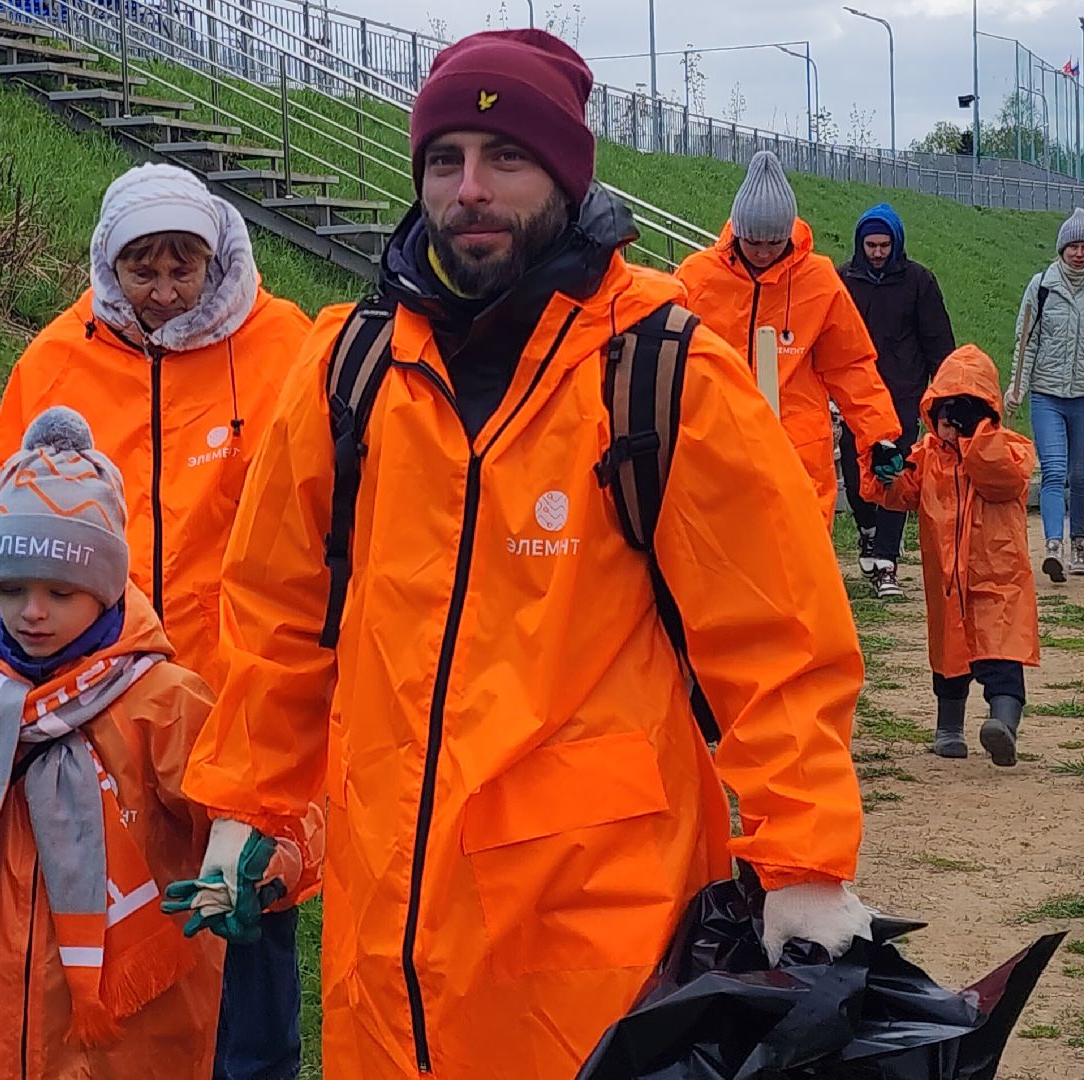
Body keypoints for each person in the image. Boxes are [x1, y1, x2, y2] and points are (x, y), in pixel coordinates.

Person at [174, 29, 872, 1080]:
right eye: (445, 160)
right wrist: (248, 805)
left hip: (593, 939)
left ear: (564, 173)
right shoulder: (349, 369)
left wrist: (804, 858)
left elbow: (774, 637)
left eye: (504, 158)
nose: (470, 190)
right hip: (386, 937)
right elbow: (279, 611)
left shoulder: (661, 374)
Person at [0, 163, 318, 1080]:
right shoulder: (55, 358)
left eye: (183, 267)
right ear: (108, 263)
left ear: (219, 258)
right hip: (86, 710)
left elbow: (321, 532)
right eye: (142, 269)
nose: (163, 291)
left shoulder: (287, 348)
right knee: (96, 958)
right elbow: (1, 528)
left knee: (245, 931)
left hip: (237, 711)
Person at [0, 408, 304, 1078]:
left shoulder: (162, 705)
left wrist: (259, 866)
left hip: (138, 1049)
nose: (32, 611)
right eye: (12, 589)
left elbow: (262, 802)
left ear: (108, 588)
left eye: (60, 591)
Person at [674, 150, 901, 529]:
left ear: (789, 235)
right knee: (717, 565)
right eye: (754, 243)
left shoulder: (819, 280)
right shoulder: (696, 278)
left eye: (774, 243)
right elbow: (666, 355)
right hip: (714, 444)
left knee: (799, 568)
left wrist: (878, 436)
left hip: (797, 453)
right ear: (737, 233)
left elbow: (850, 365)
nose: (763, 253)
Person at [863, 347, 1042, 765]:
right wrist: (883, 471)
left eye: (960, 414)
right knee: (949, 661)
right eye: (943, 413)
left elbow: (998, 477)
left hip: (997, 579)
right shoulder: (926, 456)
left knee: (1002, 657)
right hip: (946, 581)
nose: (948, 424)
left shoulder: (1008, 449)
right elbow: (901, 494)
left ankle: (1003, 723)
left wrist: (975, 436)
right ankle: (949, 726)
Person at [1005, 208, 1084, 582]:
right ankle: (1053, 547)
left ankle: (1079, 543)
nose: (1079, 253)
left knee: (1081, 475)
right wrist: (1017, 388)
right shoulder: (1041, 286)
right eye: (1072, 246)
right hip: (1047, 394)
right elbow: (1025, 342)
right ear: (1061, 248)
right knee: (1053, 471)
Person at [837, 203, 957, 599]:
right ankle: (868, 532)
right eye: (870, 245)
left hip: (903, 394)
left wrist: (943, 395)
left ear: (896, 243)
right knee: (856, 481)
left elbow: (938, 341)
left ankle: (887, 562)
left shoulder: (919, 281)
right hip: (854, 395)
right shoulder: (842, 281)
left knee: (894, 473)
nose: (877, 252)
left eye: (884, 245)